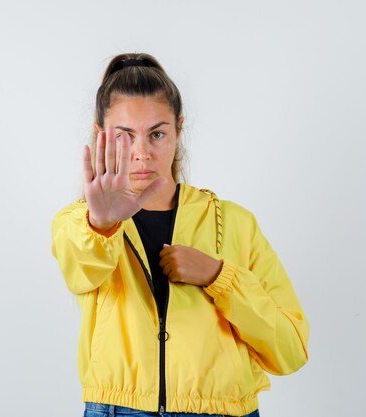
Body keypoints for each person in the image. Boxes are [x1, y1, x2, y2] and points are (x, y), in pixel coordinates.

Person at [51, 53, 309, 417]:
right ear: (101, 135)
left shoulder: (234, 223)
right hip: (117, 409)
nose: (141, 154)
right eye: (125, 136)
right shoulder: (78, 223)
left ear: (178, 129)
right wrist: (102, 223)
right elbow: (81, 272)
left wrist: (220, 277)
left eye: (157, 134)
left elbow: (290, 349)